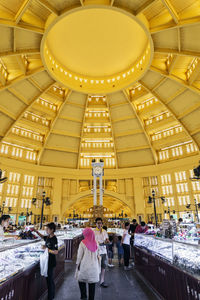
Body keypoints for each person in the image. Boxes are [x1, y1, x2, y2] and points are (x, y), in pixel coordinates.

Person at [33, 223, 58, 300]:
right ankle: (52, 295)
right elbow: (42, 237)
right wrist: (36, 231)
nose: (46, 230)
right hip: (46, 261)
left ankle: (50, 297)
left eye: (47, 229)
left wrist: (47, 249)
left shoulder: (54, 239)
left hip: (51, 262)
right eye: (46, 229)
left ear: (52, 230)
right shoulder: (48, 237)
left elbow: (56, 252)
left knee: (50, 281)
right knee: (49, 280)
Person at [76, 227, 100, 300]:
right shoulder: (96, 242)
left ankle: (83, 297)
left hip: (84, 266)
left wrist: (77, 265)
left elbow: (79, 256)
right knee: (92, 285)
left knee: (81, 281)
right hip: (94, 267)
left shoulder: (82, 243)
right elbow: (98, 254)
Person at [94, 217, 109, 287]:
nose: (99, 224)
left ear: (102, 224)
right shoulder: (93, 232)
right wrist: (98, 244)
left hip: (104, 251)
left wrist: (107, 241)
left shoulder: (104, 231)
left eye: (100, 223)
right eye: (98, 223)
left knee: (103, 266)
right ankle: (95, 279)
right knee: (96, 266)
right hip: (96, 251)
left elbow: (107, 239)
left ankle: (102, 281)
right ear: (96, 224)